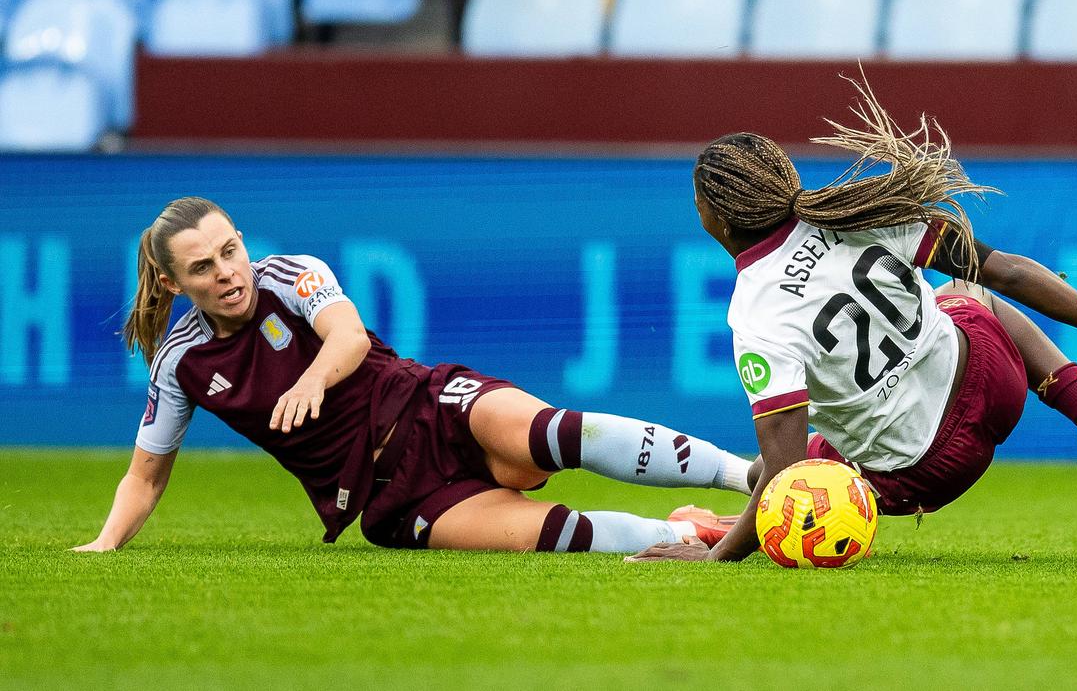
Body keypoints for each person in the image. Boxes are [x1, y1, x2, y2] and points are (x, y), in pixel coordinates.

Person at [629, 77, 1077, 563]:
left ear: (716, 219)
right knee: (967, 288)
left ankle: (710, 531)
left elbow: (788, 477)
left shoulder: (757, 314)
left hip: (924, 469)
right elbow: (1006, 271)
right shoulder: (862, 211)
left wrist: (716, 559)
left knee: (777, 472)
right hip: (993, 380)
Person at [73, 197, 750, 554]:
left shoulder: (289, 274)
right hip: (394, 496)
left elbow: (345, 331)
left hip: (428, 404)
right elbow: (146, 473)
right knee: (560, 536)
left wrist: (311, 380)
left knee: (553, 434)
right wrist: (107, 541)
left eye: (230, 250)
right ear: (171, 280)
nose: (226, 272)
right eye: (202, 267)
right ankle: (690, 534)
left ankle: (749, 475)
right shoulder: (180, 363)